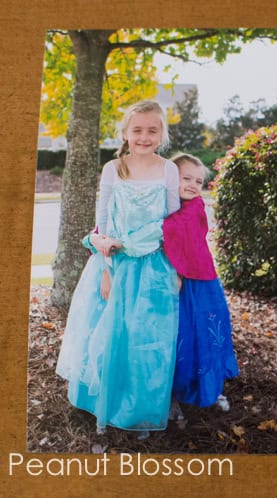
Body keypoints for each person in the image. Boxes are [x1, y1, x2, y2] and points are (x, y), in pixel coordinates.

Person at [56, 100, 180, 439]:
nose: (144, 136)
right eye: (137, 130)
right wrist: (107, 270)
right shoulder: (114, 169)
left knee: (146, 337)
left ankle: (140, 407)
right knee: (109, 334)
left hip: (154, 266)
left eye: (152, 130)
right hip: (114, 263)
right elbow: (103, 221)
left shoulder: (168, 169)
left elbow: (173, 222)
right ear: (125, 133)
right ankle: (105, 402)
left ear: (161, 134)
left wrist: (176, 270)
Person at [163, 153, 239, 416]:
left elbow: (176, 228)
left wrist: (153, 227)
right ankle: (174, 393)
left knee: (208, 333)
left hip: (201, 281)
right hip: (180, 284)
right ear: (170, 177)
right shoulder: (166, 203)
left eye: (199, 181)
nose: (194, 185)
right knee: (181, 336)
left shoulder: (195, 206)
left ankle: (210, 388)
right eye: (187, 178)